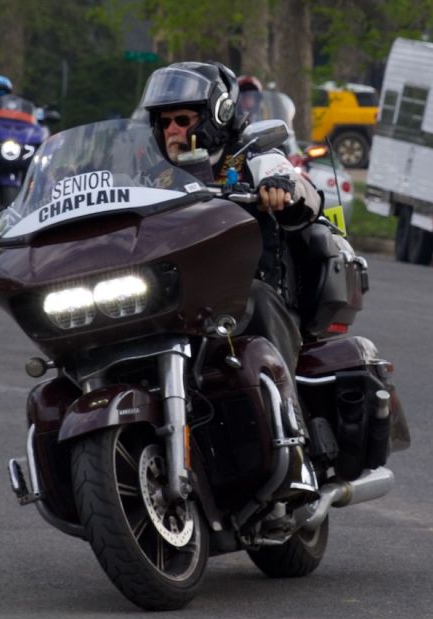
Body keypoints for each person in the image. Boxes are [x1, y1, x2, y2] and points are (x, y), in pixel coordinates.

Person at [139, 60, 324, 503]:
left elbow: (297, 184)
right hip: (178, 298)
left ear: (216, 116)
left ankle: (296, 449)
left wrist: (281, 187)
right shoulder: (152, 176)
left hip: (244, 292)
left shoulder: (250, 155)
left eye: (183, 120)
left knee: (259, 300)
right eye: (165, 123)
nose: (172, 131)